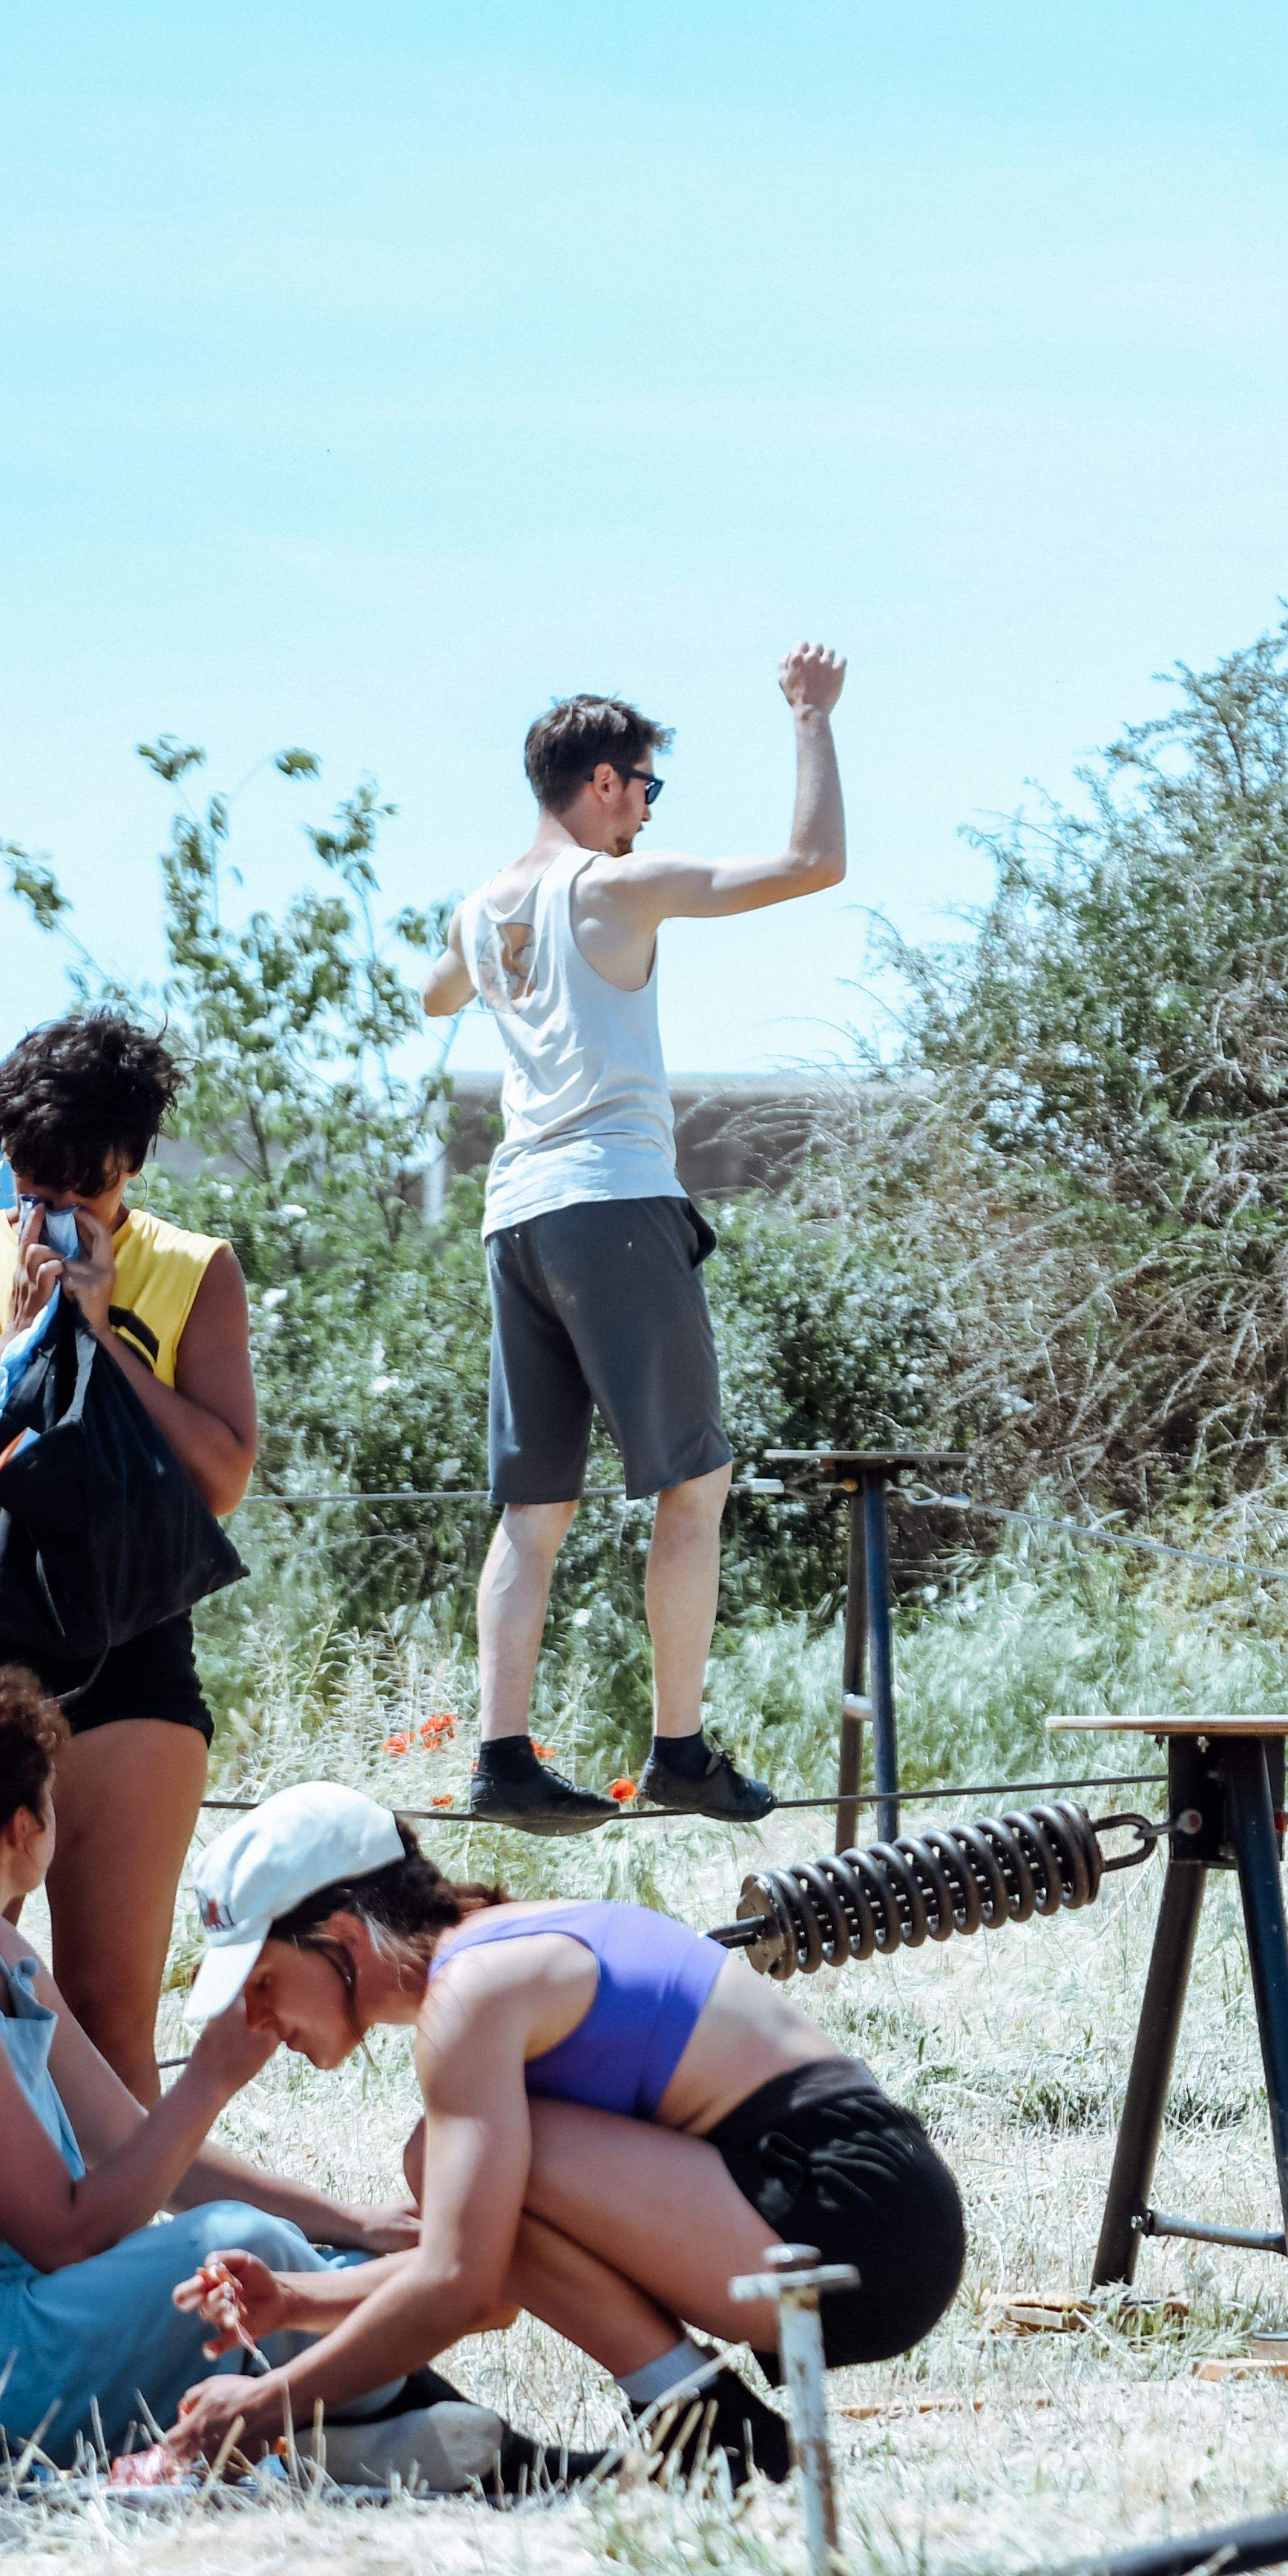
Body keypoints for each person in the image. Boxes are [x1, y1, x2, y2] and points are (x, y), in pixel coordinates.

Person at [0, 1663, 559, 2483]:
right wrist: (209, 2082)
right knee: (241, 2253)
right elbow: (72, 2236)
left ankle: (357, 2438)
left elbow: (130, 2146)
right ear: (19, 1829)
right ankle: (501, 2462)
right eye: (52, 1800)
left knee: (309, 2267)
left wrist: (352, 2222)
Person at [134, 1783, 970, 2485]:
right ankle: (707, 2427)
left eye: (264, 1980)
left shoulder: (472, 1997)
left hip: (853, 2210)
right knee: (437, 2161)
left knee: (431, 2155)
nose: (258, 2018)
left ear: (343, 1939)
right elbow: (496, 2283)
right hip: (875, 2212)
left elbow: (461, 2286)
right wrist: (299, 2300)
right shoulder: (490, 1961)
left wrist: (266, 2402)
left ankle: (701, 2425)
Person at [424, 651, 852, 1833]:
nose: (653, 809)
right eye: (649, 788)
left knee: (533, 1511)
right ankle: (678, 1750)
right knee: (692, 1481)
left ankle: (502, 1757)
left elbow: (430, 994)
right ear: (604, 782)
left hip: (515, 1217)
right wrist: (810, 718)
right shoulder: (611, 887)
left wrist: (494, 974)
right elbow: (814, 864)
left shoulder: (482, 906)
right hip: (611, 1203)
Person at [0, 1008, 255, 2094]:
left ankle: (127, 2260)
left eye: (91, 1194)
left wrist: (105, 1334)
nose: (59, 1215)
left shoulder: (192, 1269)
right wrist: (11, 1343)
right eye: (34, 1191)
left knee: (111, 2015)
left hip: (131, 1648)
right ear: (2, 1164)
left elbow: (221, 1476)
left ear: (133, 1168)